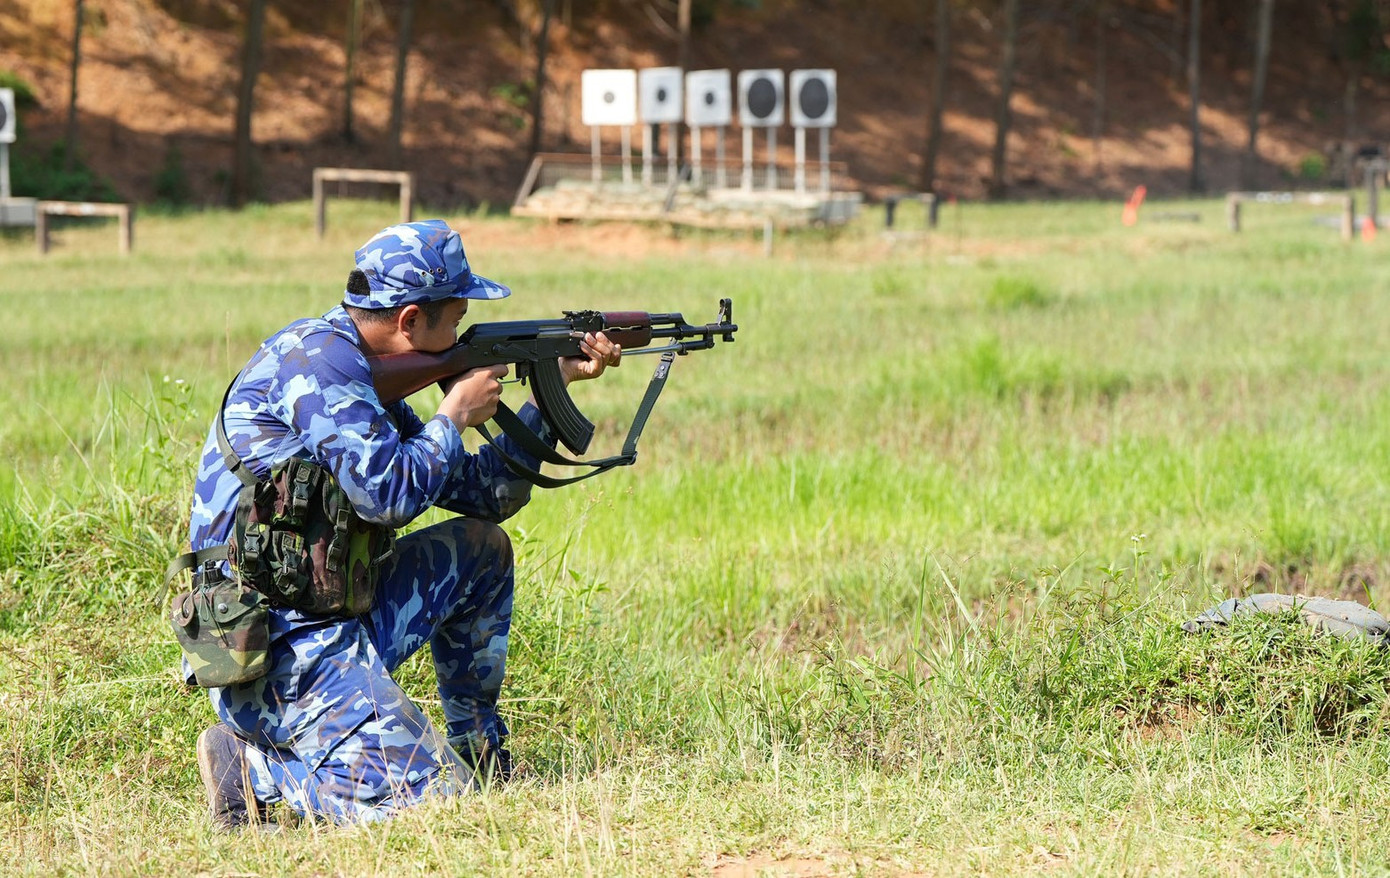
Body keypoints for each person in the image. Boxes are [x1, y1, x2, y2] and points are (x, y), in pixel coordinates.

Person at [180, 219, 621, 828]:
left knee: (482, 549)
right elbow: (387, 495)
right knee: (437, 808)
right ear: (411, 320)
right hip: (272, 643)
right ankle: (256, 769)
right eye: (456, 317)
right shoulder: (320, 366)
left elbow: (482, 493)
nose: (462, 332)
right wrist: (452, 415)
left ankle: (479, 750)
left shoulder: (364, 373)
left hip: (335, 608)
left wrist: (552, 392)